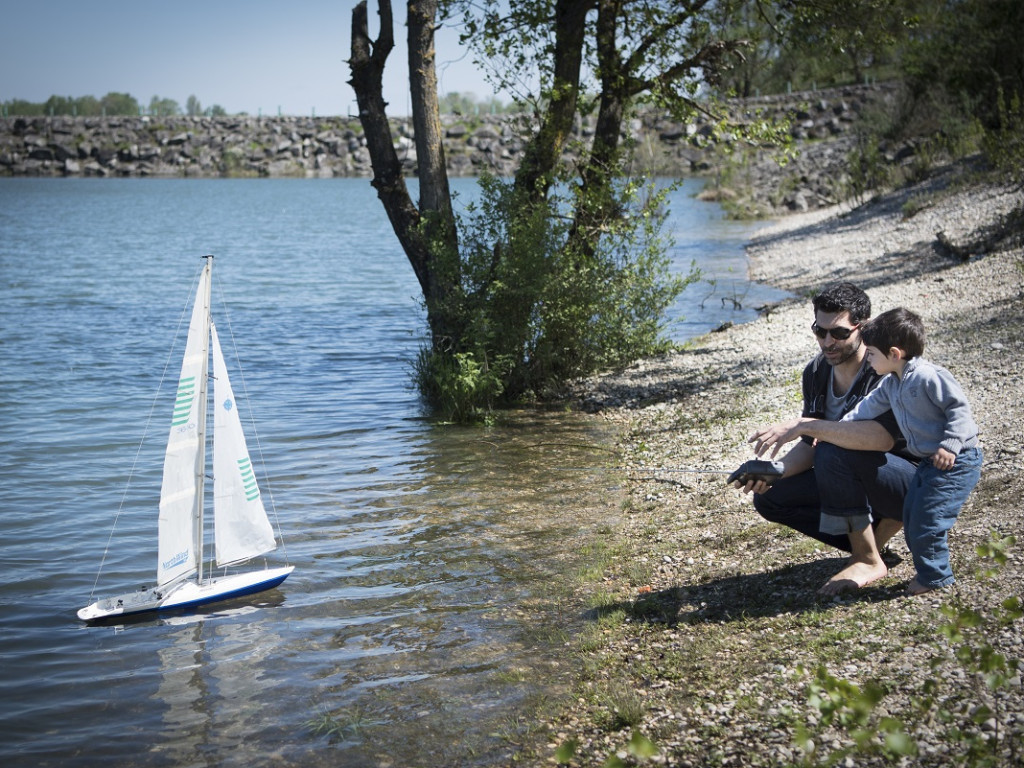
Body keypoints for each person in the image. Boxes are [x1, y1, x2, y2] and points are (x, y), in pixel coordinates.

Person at [733, 282, 918, 595]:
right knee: (771, 497)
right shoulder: (817, 371)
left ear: (864, 328)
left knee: (832, 452)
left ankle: (869, 557)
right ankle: (874, 534)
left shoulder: (885, 370)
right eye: (820, 331)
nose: (828, 342)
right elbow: (810, 445)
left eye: (840, 333)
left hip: (914, 485)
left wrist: (805, 424)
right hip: (857, 476)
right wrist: (770, 471)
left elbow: (883, 440)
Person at [836, 307, 982, 595]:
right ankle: (931, 572)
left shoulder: (929, 377)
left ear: (894, 354)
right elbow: (864, 410)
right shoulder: (891, 384)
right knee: (912, 515)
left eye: (872, 354)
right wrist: (834, 430)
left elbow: (959, 410)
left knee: (928, 520)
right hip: (930, 462)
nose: (868, 361)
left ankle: (935, 577)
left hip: (956, 459)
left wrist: (949, 445)